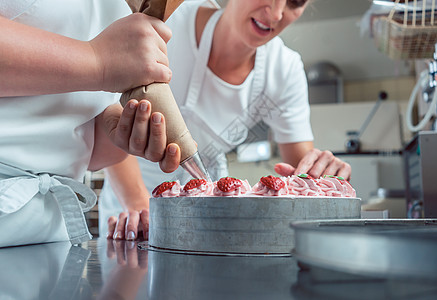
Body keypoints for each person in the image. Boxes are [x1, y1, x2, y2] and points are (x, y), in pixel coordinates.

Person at [100, 0, 352, 240]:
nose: (276, 13)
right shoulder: (166, 21)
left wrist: (323, 174)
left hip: (206, 219)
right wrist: (140, 205)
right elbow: (107, 112)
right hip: (131, 209)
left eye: (295, 1)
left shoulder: (284, 70)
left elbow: (301, 175)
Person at [0, 0, 181, 247]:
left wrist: (113, 130)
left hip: (48, 235)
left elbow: (73, 146)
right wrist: (97, 61)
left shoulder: (122, 8)